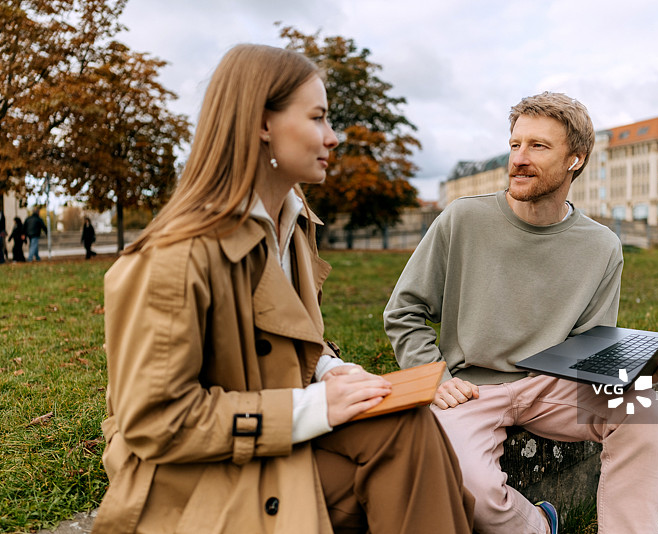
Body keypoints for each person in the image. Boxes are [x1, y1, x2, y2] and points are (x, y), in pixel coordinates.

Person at [91, 44, 473, 534]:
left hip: (264, 447)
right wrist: (313, 406)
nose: (333, 138)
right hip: (189, 476)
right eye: (317, 118)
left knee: (409, 425)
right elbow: (156, 421)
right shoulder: (172, 257)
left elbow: (280, 346)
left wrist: (329, 371)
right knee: (408, 453)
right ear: (261, 124)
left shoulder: (291, 224)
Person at [384, 91, 658, 534]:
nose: (519, 158)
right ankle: (539, 525)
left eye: (538, 146)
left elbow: (591, 344)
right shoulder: (462, 219)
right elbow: (404, 310)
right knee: (472, 492)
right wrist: (435, 377)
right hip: (471, 387)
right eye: (515, 144)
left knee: (644, 411)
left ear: (575, 160)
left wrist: (633, 371)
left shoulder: (602, 246)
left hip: (553, 386)